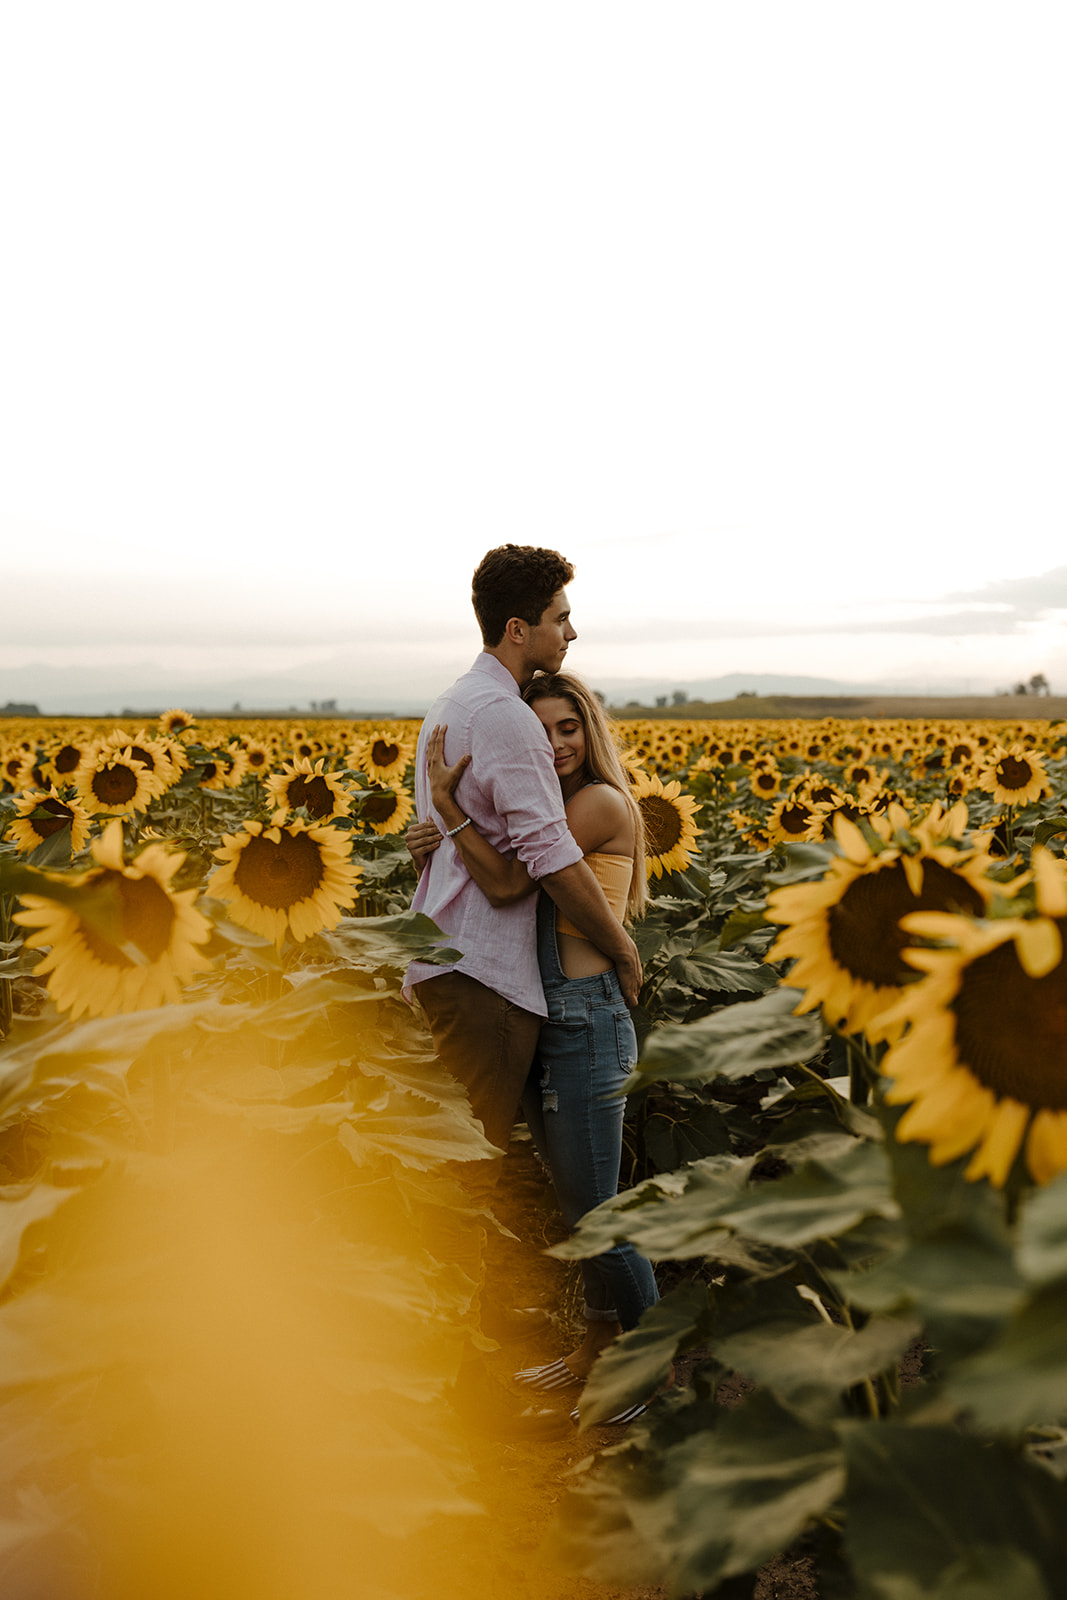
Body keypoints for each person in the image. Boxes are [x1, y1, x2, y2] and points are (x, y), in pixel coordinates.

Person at [403, 545, 642, 1439]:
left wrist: (443, 830)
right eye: (559, 617)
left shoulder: (452, 706)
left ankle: (548, 1363)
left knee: (501, 1181)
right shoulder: (499, 715)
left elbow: (452, 845)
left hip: (481, 976)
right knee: (475, 1181)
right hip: (487, 977)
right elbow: (531, 866)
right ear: (519, 627)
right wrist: (621, 946)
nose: (569, 631)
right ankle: (458, 1382)